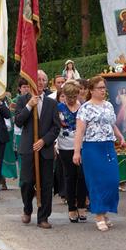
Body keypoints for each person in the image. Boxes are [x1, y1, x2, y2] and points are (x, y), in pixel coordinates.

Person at [73, 76, 126, 232]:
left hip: (108, 146)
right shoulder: (85, 108)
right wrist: (77, 152)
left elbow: (111, 124)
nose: (103, 90)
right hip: (92, 148)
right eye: (100, 88)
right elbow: (80, 131)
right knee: (96, 182)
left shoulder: (109, 106)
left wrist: (120, 136)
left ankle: (104, 211)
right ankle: (99, 215)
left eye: (104, 87)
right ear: (91, 90)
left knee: (112, 180)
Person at [14, 70, 61, 229]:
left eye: (43, 80)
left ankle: (43, 217)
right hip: (28, 149)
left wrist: (44, 141)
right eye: (37, 79)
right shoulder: (22, 100)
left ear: (46, 83)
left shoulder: (52, 103)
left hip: (45, 150)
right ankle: (27, 208)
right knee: (26, 182)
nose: (40, 82)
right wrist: (29, 106)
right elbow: (18, 121)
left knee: (47, 184)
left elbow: (56, 128)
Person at [57, 81, 87, 223]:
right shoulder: (59, 108)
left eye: (74, 96)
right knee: (70, 176)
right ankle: (71, 208)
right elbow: (56, 126)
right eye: (69, 97)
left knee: (82, 176)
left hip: (81, 145)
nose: (71, 99)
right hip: (65, 146)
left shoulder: (83, 107)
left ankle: (81, 206)